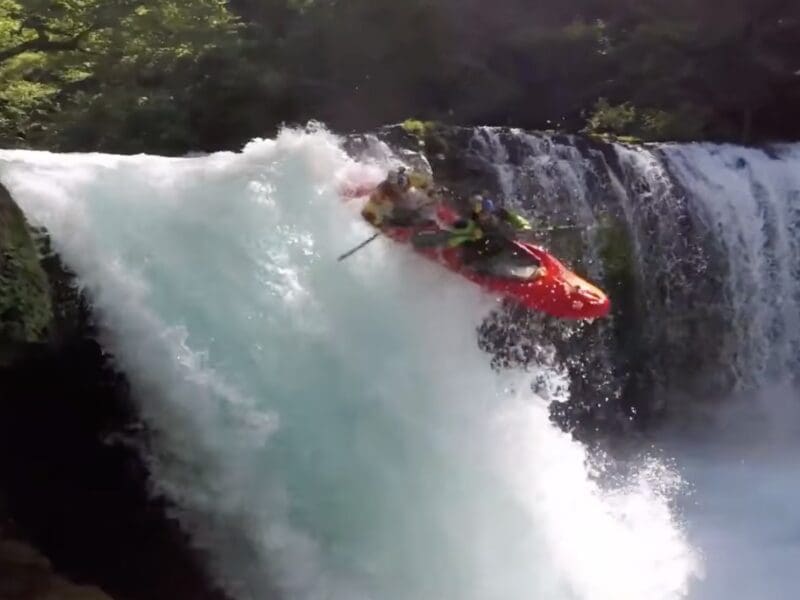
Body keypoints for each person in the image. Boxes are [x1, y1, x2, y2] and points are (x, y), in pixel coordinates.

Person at [361, 167, 439, 228]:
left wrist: (433, 196)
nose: (398, 188)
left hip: (408, 198)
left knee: (420, 199)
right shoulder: (381, 192)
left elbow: (427, 186)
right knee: (390, 211)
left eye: (401, 184)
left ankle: (423, 216)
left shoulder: (412, 178)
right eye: (395, 186)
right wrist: (382, 224)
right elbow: (368, 212)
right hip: (393, 205)